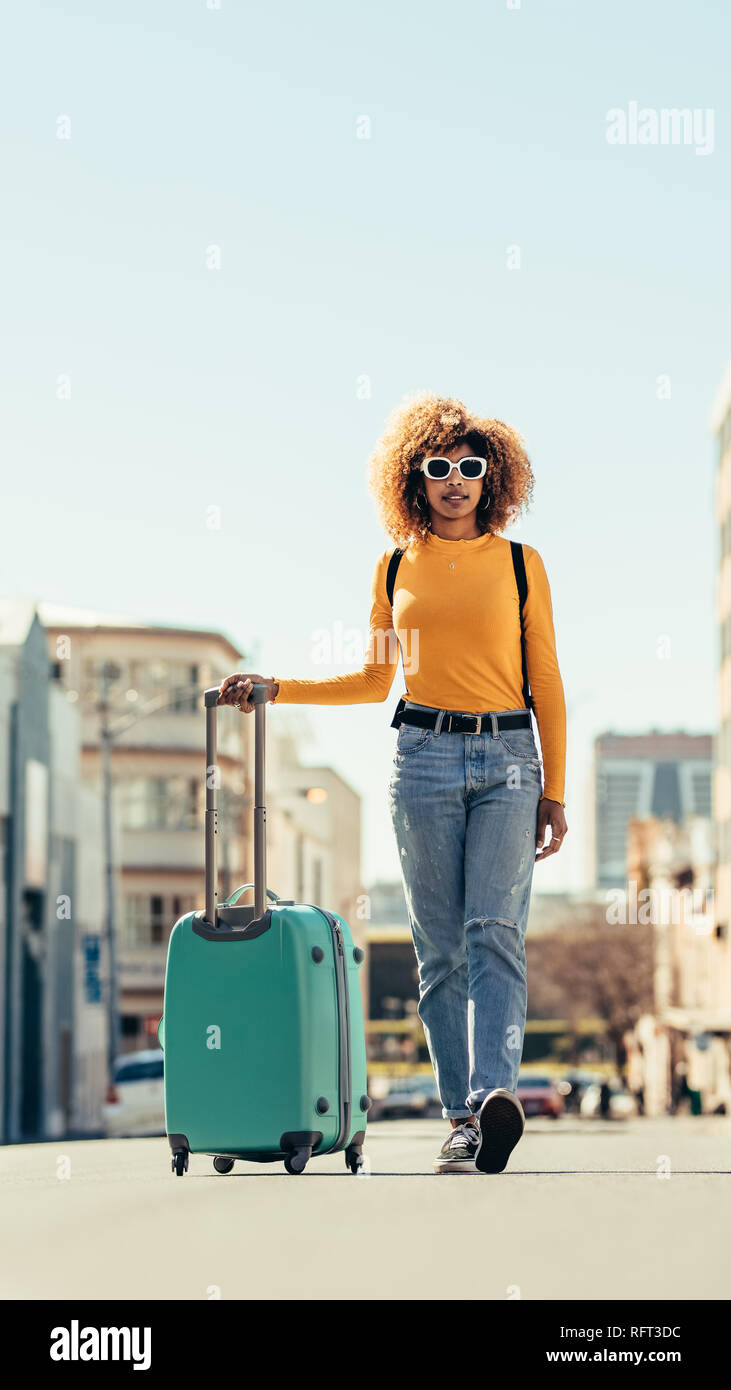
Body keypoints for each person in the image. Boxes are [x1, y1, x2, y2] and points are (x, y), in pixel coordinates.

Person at [218, 392, 567, 1175]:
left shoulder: (519, 563)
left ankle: (493, 1098)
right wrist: (280, 686)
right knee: (439, 950)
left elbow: (545, 677)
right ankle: (460, 1119)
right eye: (437, 467)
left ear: (492, 477)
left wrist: (557, 791)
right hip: (423, 757)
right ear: (414, 477)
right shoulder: (394, 565)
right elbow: (376, 679)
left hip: (510, 757)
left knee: (494, 935)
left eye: (469, 467)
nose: (454, 480)